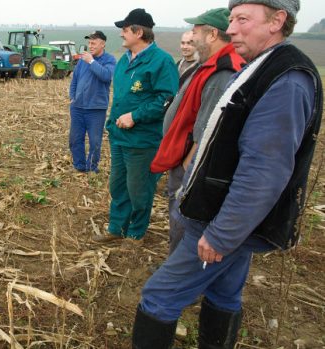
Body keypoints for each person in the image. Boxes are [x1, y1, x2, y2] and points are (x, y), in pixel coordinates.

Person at [132, 0, 323, 348]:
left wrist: (223, 234)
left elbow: (265, 171)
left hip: (220, 219)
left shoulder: (285, 79)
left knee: (159, 296)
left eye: (242, 19)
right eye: (232, 19)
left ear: (277, 20)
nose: (231, 28)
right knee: (224, 291)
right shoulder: (259, 67)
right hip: (226, 215)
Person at [150, 8, 245, 255]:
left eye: (196, 31)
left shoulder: (223, 71)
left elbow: (208, 129)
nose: (192, 37)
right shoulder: (209, 65)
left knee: (184, 221)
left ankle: (178, 274)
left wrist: (187, 167)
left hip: (191, 165)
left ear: (212, 34)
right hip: (184, 159)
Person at [92, 8, 178, 244]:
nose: (121, 33)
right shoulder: (123, 62)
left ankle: (135, 233)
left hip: (142, 139)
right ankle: (116, 228)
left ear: (139, 32)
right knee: (118, 185)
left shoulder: (161, 61)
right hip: (120, 136)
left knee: (138, 188)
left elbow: (167, 99)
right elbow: (121, 96)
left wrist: (136, 116)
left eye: (125, 29)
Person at [68, 31, 116, 173]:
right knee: (75, 139)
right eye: (89, 43)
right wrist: (72, 97)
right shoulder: (82, 61)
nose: (90, 46)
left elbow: (106, 76)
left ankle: (92, 168)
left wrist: (91, 61)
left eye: (93, 43)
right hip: (77, 107)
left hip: (96, 109)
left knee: (95, 142)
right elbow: (75, 79)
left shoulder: (109, 60)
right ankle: (80, 166)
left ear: (103, 44)